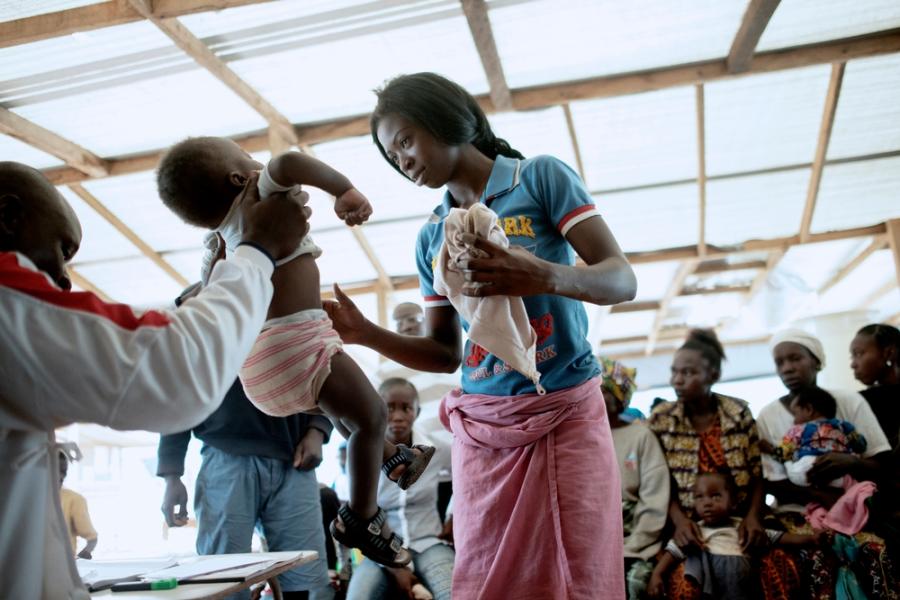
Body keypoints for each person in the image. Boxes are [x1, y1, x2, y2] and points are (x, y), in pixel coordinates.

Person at [324, 72, 637, 599]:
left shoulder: (537, 179)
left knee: (575, 566)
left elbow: (621, 278)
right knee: (488, 569)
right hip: (485, 425)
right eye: (391, 154)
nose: (402, 160)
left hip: (562, 409)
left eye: (405, 140)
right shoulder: (431, 236)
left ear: (447, 119)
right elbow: (445, 354)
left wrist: (543, 275)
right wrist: (365, 333)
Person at [0, 160, 310, 599]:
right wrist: (256, 252)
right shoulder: (8, 298)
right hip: (227, 453)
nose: (66, 280)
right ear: (7, 216)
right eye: (61, 249)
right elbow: (177, 368)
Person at [157, 138, 434, 567]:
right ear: (239, 176)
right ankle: (361, 517)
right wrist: (344, 189)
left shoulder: (223, 244)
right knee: (371, 416)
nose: (259, 164)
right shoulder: (260, 194)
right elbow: (287, 160)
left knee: (344, 409)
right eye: (249, 160)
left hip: (262, 370)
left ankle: (394, 460)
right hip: (296, 341)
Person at [647, 329, 798, 599]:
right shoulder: (662, 419)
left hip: (740, 521)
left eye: (688, 373)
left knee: (777, 571)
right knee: (685, 584)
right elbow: (658, 481)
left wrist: (753, 518)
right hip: (689, 526)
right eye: (674, 372)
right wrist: (680, 521)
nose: (677, 381)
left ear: (713, 375)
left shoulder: (738, 414)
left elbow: (756, 474)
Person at [157, 378, 334, 600]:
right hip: (225, 454)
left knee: (303, 575)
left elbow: (324, 371)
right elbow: (183, 389)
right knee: (222, 576)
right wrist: (171, 474)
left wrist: (318, 428)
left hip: (296, 457)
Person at [758, 328, 896, 597]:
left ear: (816, 361)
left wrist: (850, 463)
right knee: (814, 558)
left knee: (876, 552)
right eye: (780, 362)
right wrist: (822, 496)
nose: (787, 368)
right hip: (799, 511)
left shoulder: (848, 401)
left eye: (795, 358)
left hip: (856, 506)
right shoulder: (769, 416)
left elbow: (883, 463)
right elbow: (774, 482)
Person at [347, 378, 454, 600]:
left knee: (455, 593)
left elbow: (469, 476)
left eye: (406, 408)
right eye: (389, 408)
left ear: (417, 411)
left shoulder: (437, 450)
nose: (398, 416)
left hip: (429, 542)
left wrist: (454, 513)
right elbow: (360, 519)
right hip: (380, 551)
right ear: (376, 410)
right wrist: (394, 566)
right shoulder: (362, 454)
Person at [647, 471, 821, 600]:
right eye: (699, 497)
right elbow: (673, 552)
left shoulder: (742, 528)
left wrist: (810, 539)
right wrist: (657, 575)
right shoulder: (696, 531)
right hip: (711, 585)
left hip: (741, 587)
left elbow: (779, 537)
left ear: (733, 501)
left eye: (716, 496)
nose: (707, 503)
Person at [600, 358, 670, 600]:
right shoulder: (577, 438)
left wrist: (634, 545)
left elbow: (654, 498)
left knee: (635, 584)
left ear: (620, 400)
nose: (595, 399)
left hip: (636, 543)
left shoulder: (641, 437)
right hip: (591, 542)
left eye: (603, 392)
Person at [766, 387, 867, 487]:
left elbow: (784, 451)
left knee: (793, 467)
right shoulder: (843, 425)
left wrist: (771, 450)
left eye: (795, 414)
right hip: (840, 469)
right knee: (854, 479)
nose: (794, 420)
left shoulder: (797, 429)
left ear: (809, 409)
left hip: (809, 467)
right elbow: (860, 444)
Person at [850, 323, 900, 449]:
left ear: (888, 353)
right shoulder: (863, 399)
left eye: (859, 354)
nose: (853, 364)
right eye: (852, 356)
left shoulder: (862, 401)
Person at [58, 450, 98, 560]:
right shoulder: (28, 499)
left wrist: (83, 555)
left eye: (64, 471)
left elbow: (92, 538)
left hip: (62, 565)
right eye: (56, 470)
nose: (61, 476)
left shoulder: (74, 499)